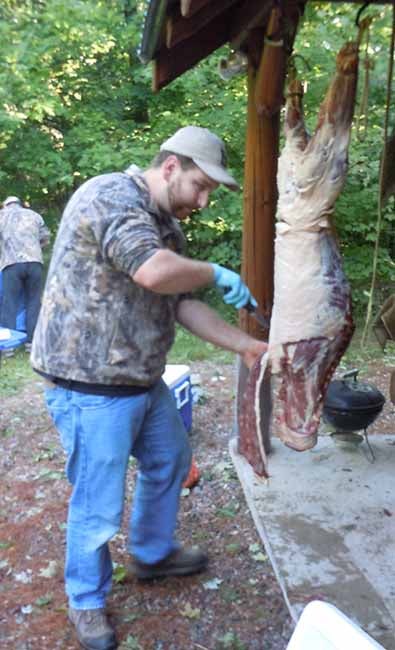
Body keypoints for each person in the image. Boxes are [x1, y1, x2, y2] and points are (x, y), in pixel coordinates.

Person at [31, 126, 267, 650]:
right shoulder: (110, 196)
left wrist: (246, 347)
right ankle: (86, 601)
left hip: (140, 378)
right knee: (97, 502)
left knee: (170, 460)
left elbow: (179, 303)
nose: (203, 201)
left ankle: (153, 553)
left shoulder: (168, 227)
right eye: (200, 186)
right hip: (88, 384)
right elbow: (154, 273)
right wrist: (213, 271)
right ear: (170, 167)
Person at [0, 196, 50, 350]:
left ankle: (8, 346)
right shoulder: (34, 215)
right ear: (20, 204)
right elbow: (46, 239)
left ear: (5, 205)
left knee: (10, 303)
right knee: (33, 301)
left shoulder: (1, 216)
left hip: (11, 263)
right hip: (34, 263)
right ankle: (31, 342)